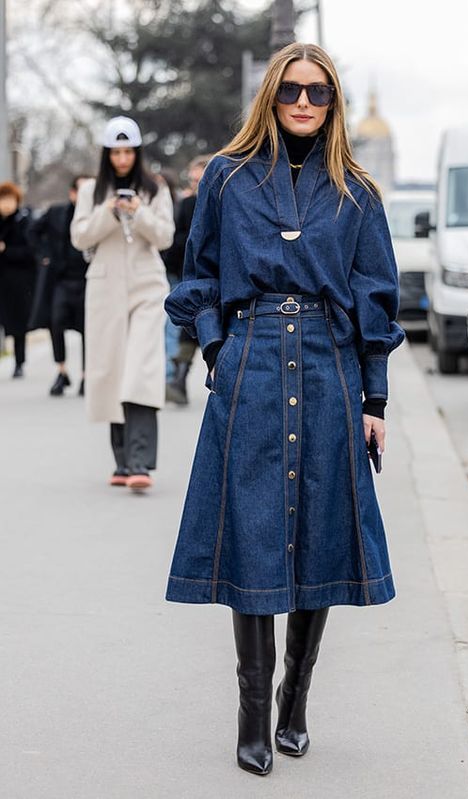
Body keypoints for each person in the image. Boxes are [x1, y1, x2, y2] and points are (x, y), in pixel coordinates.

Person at [165, 43, 404, 776]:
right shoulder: (229, 179)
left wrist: (376, 399)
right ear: (270, 95)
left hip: (331, 363)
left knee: (321, 531)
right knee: (254, 528)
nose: (304, 102)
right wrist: (216, 348)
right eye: (292, 90)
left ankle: (294, 698)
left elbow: (376, 298)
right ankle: (252, 712)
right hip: (252, 359)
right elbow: (198, 271)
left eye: (319, 93)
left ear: (332, 104)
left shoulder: (357, 192)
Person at [71, 116, 174, 491]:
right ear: (106, 154)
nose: (123, 159)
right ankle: (121, 461)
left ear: (138, 152)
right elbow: (80, 237)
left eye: (129, 151)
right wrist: (111, 211)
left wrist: (138, 212)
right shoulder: (90, 191)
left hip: (147, 287)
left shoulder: (155, 188)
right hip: (105, 287)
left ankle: (141, 463)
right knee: (113, 370)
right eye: (116, 152)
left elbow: (164, 237)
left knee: (140, 371)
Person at [32, 175, 91, 396]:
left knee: (89, 329)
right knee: (56, 322)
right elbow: (33, 231)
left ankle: (87, 375)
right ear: (73, 193)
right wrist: (44, 255)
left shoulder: (96, 215)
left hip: (89, 280)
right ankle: (62, 371)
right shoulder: (56, 212)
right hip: (61, 280)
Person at [163, 155, 211, 405]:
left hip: (218, 275)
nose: (196, 185)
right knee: (187, 328)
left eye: (200, 180)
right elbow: (176, 238)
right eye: (192, 180)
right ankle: (178, 380)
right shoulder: (186, 204)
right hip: (189, 275)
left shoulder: (224, 201)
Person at [0, 182, 35, 378]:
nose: (6, 204)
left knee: (17, 324)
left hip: (18, 281)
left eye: (9, 200)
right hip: (2, 279)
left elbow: (30, 252)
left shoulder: (24, 222)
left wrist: (6, 250)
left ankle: (19, 362)